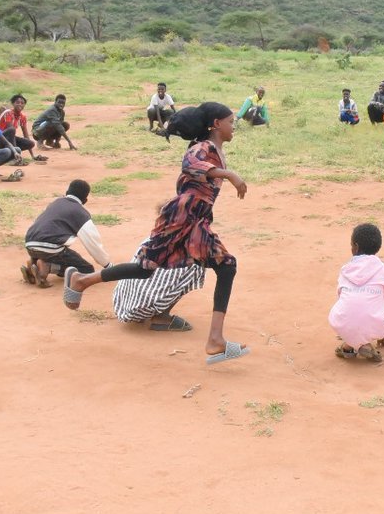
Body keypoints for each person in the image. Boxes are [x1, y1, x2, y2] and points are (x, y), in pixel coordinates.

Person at [62, 103, 250, 365]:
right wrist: (229, 174)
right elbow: (190, 165)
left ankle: (215, 340)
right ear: (216, 124)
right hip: (180, 218)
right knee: (146, 268)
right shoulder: (202, 148)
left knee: (225, 266)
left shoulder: (217, 150)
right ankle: (82, 281)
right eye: (230, 121)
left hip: (196, 221)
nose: (234, 126)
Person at [23, 179, 111, 287]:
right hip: (50, 248)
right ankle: (46, 266)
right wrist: (107, 265)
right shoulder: (80, 213)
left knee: (50, 252)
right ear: (85, 200)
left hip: (29, 243)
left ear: (67, 192)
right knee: (86, 269)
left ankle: (34, 263)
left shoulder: (55, 203)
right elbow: (93, 243)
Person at [329, 223, 384, 362]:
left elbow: (342, 297)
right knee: (379, 302)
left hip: (341, 322)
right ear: (378, 247)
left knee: (351, 310)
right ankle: (363, 345)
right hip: (375, 325)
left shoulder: (345, 269)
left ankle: (349, 346)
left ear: (356, 246)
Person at [0, 94, 44, 163]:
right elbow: (10, 132)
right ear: (13, 103)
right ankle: (14, 156)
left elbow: (26, 134)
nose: (20, 104)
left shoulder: (22, 117)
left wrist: (33, 156)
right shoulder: (8, 113)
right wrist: (16, 152)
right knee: (12, 130)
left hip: (8, 139)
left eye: (22, 103)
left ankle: (12, 155)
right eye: (17, 102)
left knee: (31, 143)